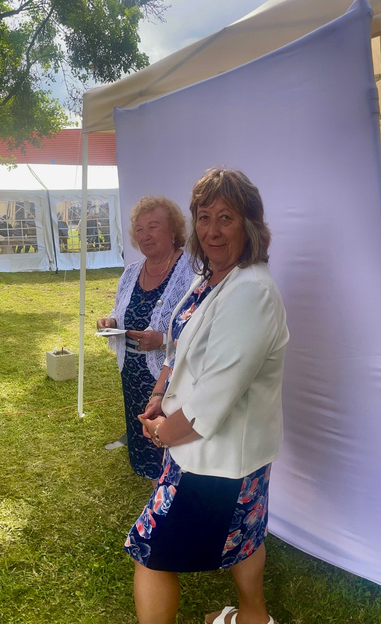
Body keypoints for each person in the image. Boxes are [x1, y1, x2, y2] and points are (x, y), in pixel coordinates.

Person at [128, 169, 288, 624]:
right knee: (244, 537)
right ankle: (253, 619)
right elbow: (180, 345)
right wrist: (160, 391)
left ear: (249, 225)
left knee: (151, 553)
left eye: (226, 217)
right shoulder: (214, 278)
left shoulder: (250, 292)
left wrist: (162, 433)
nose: (212, 230)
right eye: (204, 217)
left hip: (214, 459)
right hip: (227, 454)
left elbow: (212, 400)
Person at [98, 197, 198, 477]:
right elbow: (120, 310)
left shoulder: (192, 271)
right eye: (139, 230)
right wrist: (110, 321)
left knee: (166, 433)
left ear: (173, 230)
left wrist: (162, 341)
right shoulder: (131, 272)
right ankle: (147, 475)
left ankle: (166, 483)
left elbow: (197, 329)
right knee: (140, 427)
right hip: (131, 371)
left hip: (168, 376)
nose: (145, 235)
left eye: (153, 227)